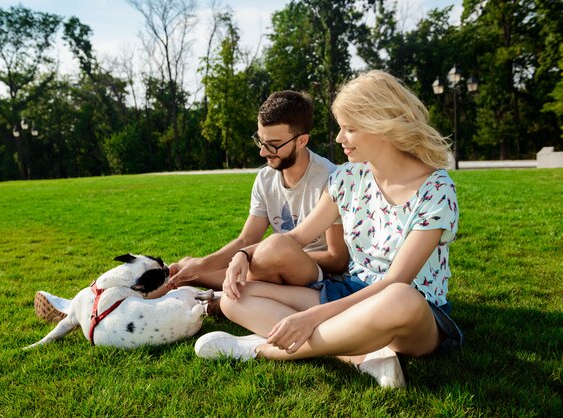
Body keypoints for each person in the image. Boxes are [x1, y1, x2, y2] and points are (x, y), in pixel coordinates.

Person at [194, 70, 463, 388]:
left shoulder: (436, 189)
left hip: (413, 312)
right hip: (352, 291)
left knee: (400, 297)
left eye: (350, 128)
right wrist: (242, 253)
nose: (339, 139)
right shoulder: (349, 179)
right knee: (233, 298)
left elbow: (396, 281)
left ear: (382, 126)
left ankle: (264, 350)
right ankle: (362, 356)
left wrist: (313, 317)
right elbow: (294, 239)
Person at [34, 90, 349, 321]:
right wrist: (210, 264)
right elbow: (245, 240)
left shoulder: (329, 179)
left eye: (273, 144)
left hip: (313, 275)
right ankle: (87, 305)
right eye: (260, 141)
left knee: (264, 252)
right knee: (186, 266)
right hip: (263, 266)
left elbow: (337, 259)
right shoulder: (265, 179)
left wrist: (261, 259)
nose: (263, 152)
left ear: (302, 141)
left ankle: (180, 297)